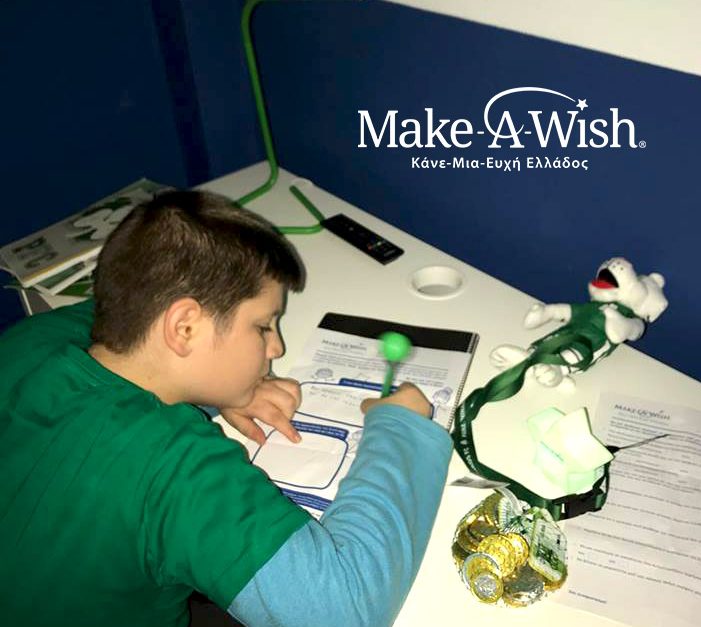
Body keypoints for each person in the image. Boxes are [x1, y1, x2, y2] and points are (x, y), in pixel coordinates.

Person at [0, 191, 452, 627]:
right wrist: (402, 430)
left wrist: (219, 388)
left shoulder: (28, 340)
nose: (276, 347)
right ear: (185, 328)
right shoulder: (173, 465)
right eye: (263, 326)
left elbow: (124, 312)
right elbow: (345, 611)